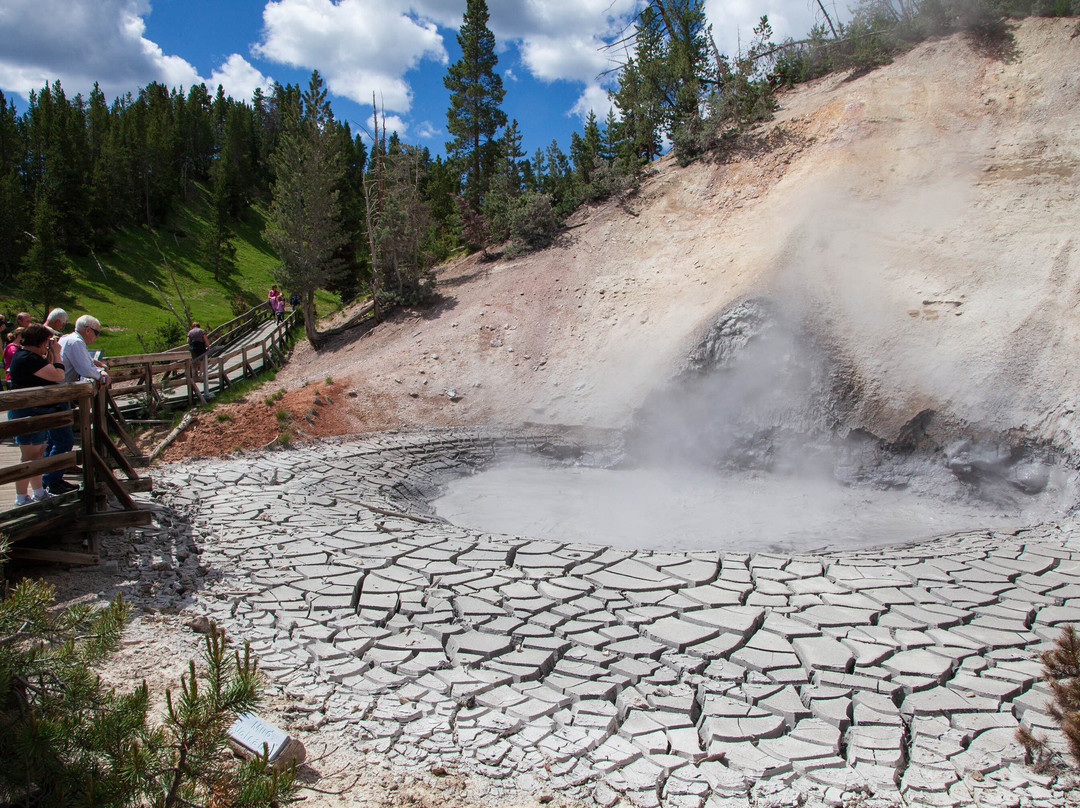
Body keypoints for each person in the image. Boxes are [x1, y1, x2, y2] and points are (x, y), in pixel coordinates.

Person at [7, 325, 66, 505]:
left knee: (39, 453)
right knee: (29, 456)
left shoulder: (29, 357)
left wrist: (49, 353)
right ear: (40, 341)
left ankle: (38, 492)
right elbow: (58, 375)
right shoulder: (27, 358)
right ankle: (21, 496)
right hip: (28, 412)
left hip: (35, 410)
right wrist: (56, 354)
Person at [187, 321, 211, 397]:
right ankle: (201, 374)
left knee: (194, 361)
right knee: (202, 360)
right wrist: (208, 346)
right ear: (198, 326)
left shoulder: (190, 332)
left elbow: (188, 341)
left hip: (193, 347)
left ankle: (195, 376)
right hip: (200, 346)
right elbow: (205, 339)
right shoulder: (201, 331)